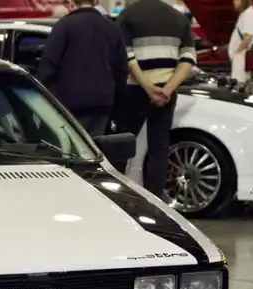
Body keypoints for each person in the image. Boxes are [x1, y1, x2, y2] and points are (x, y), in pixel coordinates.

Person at [116, 0, 196, 197]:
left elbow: (126, 55)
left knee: (121, 146)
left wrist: (148, 87)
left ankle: (116, 196)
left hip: (134, 90)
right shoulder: (179, 18)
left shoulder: (128, 15)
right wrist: (168, 88)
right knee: (159, 149)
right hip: (166, 93)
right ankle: (155, 200)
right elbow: (188, 58)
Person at [37, 0, 128, 137]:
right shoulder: (112, 28)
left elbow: (47, 67)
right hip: (101, 105)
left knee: (70, 147)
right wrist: (116, 107)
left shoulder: (64, 26)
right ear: (95, 1)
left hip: (68, 106)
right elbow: (121, 71)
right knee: (95, 146)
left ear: (73, 2)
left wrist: (49, 101)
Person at [229, 0, 253, 83]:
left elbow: (248, 36)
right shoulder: (244, 14)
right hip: (240, 58)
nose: (233, 2)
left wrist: (238, 52)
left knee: (240, 84)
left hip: (242, 58)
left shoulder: (249, 14)